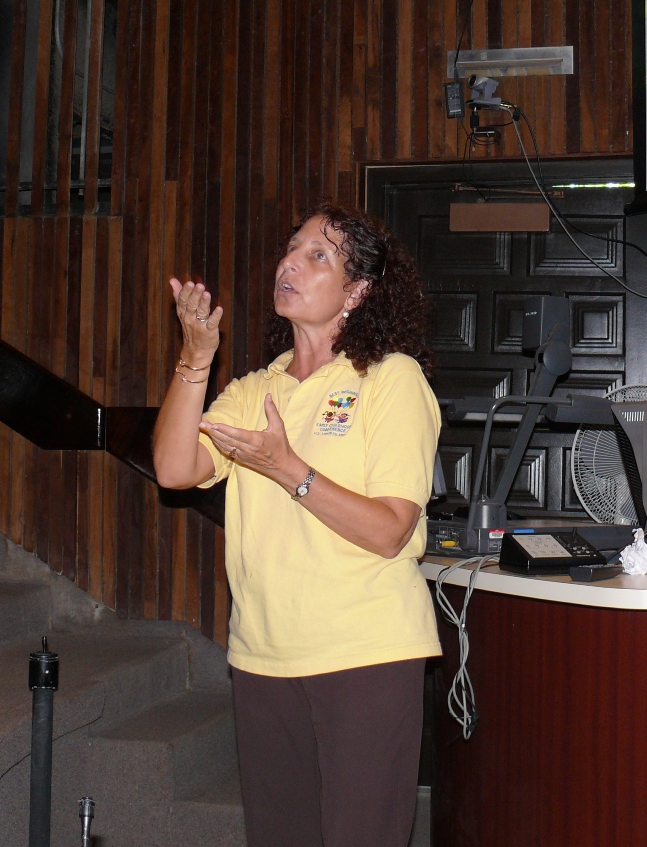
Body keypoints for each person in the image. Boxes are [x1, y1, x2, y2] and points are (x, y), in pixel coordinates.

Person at [153, 201, 442, 847]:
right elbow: (173, 468)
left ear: (357, 290)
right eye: (292, 248)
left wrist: (290, 469)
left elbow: (390, 529)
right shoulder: (257, 389)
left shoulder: (390, 379)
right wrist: (196, 358)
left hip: (365, 653)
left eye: (318, 255)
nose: (291, 261)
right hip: (263, 653)